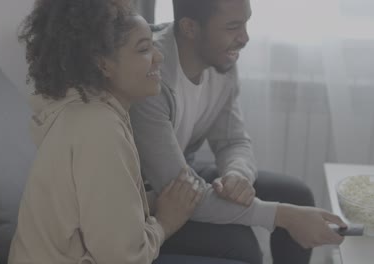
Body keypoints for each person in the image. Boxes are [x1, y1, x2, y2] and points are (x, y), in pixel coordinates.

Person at [6, 0, 239, 263]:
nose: (159, 57)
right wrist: (165, 221)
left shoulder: (92, 112)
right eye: (143, 49)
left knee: (237, 243)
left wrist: (153, 202)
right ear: (103, 64)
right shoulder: (99, 129)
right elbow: (124, 258)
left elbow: (96, 208)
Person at [129, 1, 347, 264]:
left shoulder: (221, 61)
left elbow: (233, 140)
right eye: (233, 27)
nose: (244, 38)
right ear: (190, 28)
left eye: (246, 23)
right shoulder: (149, 74)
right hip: (151, 199)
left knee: (296, 195)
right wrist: (285, 216)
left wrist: (237, 174)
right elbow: (177, 190)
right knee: (244, 247)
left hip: (184, 174)